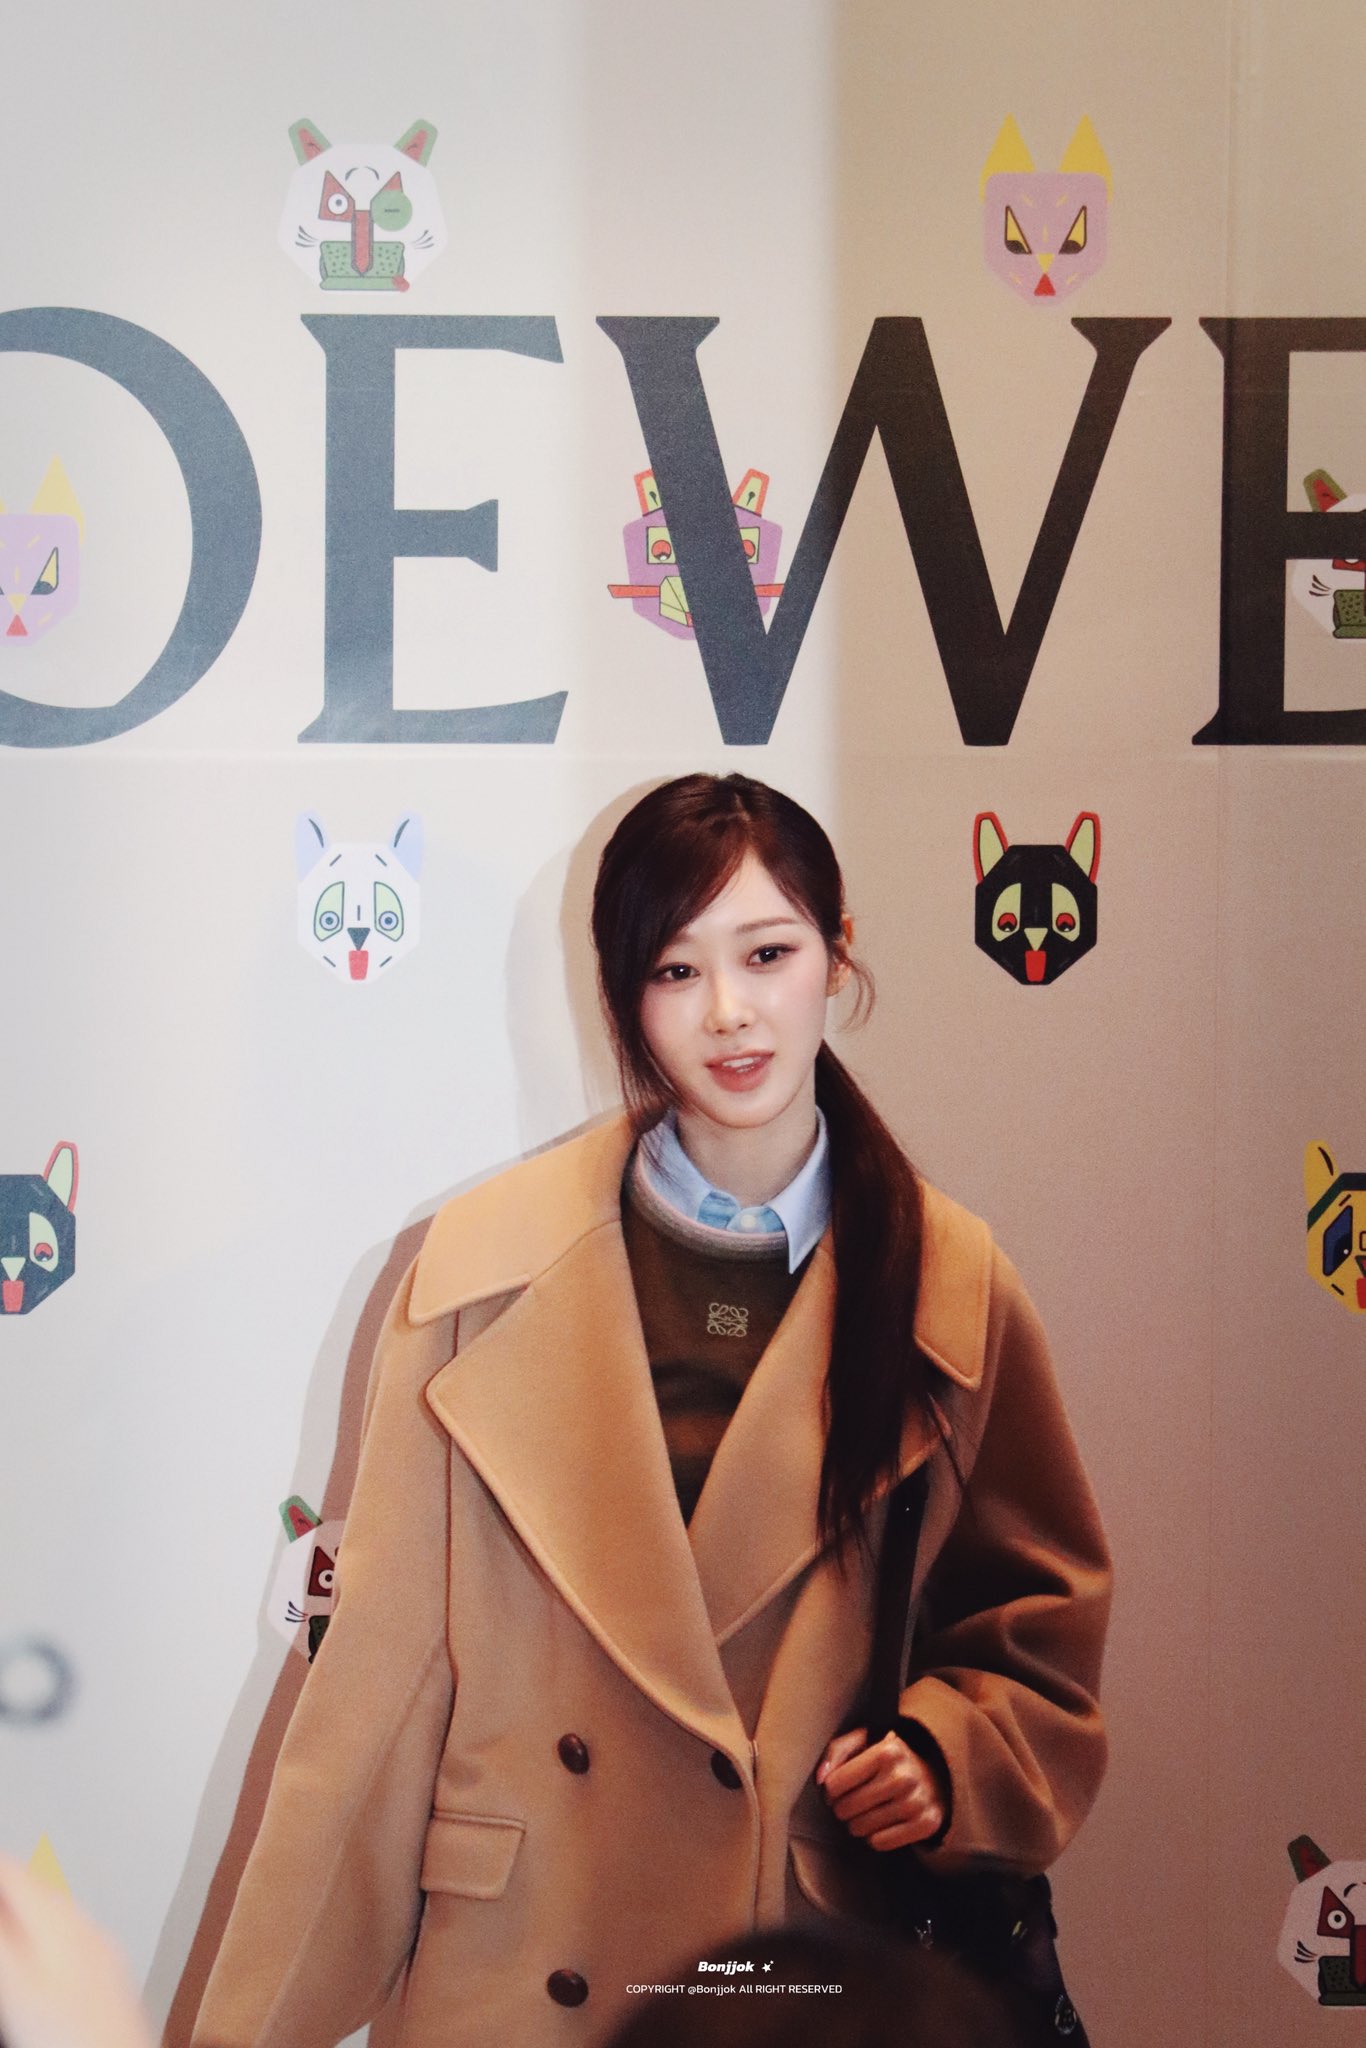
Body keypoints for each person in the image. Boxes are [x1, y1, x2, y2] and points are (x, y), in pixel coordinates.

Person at [190, 773, 1111, 2048]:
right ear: (621, 994)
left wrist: (949, 1756)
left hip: (794, 1978)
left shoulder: (947, 1287)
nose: (729, 1010)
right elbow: (374, 1692)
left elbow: (1035, 1631)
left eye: (768, 953)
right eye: (676, 970)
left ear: (836, 953)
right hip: (527, 1967)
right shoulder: (481, 1272)